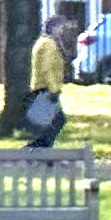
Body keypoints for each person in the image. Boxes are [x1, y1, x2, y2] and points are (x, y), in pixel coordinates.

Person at [20, 11, 72, 148]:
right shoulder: (48, 45)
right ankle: (36, 149)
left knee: (52, 123)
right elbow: (47, 68)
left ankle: (41, 150)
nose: (62, 31)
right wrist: (54, 89)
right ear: (53, 28)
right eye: (60, 27)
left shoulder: (45, 43)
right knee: (57, 121)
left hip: (44, 88)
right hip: (46, 89)